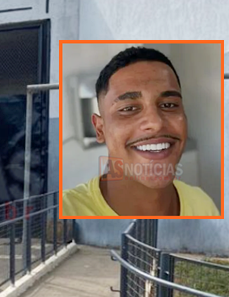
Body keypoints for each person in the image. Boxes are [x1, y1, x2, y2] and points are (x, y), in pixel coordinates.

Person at [62, 47, 219, 216]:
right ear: (100, 129)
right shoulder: (66, 212)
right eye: (129, 108)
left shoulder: (203, 205)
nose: (156, 123)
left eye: (169, 105)